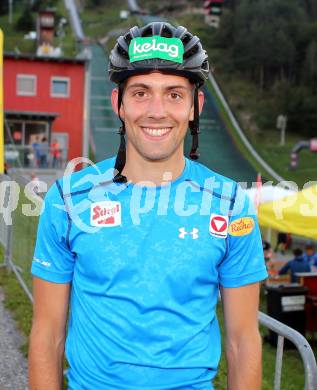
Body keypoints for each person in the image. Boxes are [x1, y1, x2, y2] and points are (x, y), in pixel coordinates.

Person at [29, 22, 268, 390]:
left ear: (195, 106)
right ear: (118, 104)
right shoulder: (67, 200)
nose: (157, 111)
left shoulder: (231, 205)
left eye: (174, 94)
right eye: (141, 92)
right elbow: (47, 337)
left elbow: (243, 341)